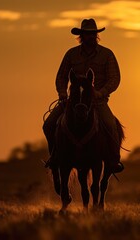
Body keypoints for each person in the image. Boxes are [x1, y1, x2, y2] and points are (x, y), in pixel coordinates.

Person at [43, 18, 124, 173]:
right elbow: (61, 76)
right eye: (87, 34)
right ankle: (54, 157)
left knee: (110, 124)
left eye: (93, 34)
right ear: (81, 35)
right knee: (48, 124)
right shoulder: (71, 54)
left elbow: (114, 79)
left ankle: (113, 160)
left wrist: (101, 93)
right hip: (72, 102)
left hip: (97, 102)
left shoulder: (107, 55)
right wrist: (62, 93)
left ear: (96, 35)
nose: (90, 36)